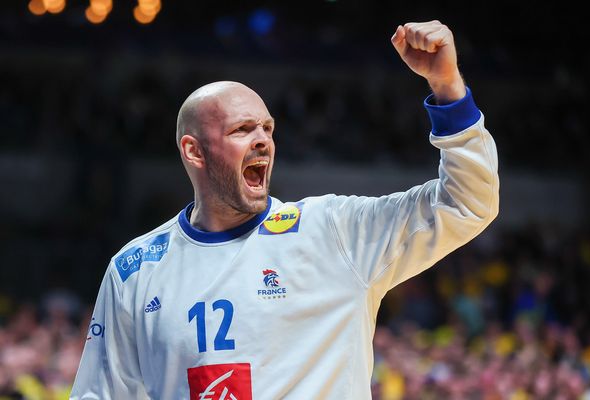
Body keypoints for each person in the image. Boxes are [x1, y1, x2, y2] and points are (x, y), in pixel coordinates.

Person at [70, 20, 499, 399]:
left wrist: (448, 89)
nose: (263, 140)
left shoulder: (332, 232)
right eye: (242, 129)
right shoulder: (135, 269)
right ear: (194, 151)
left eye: (268, 128)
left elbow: (465, 202)